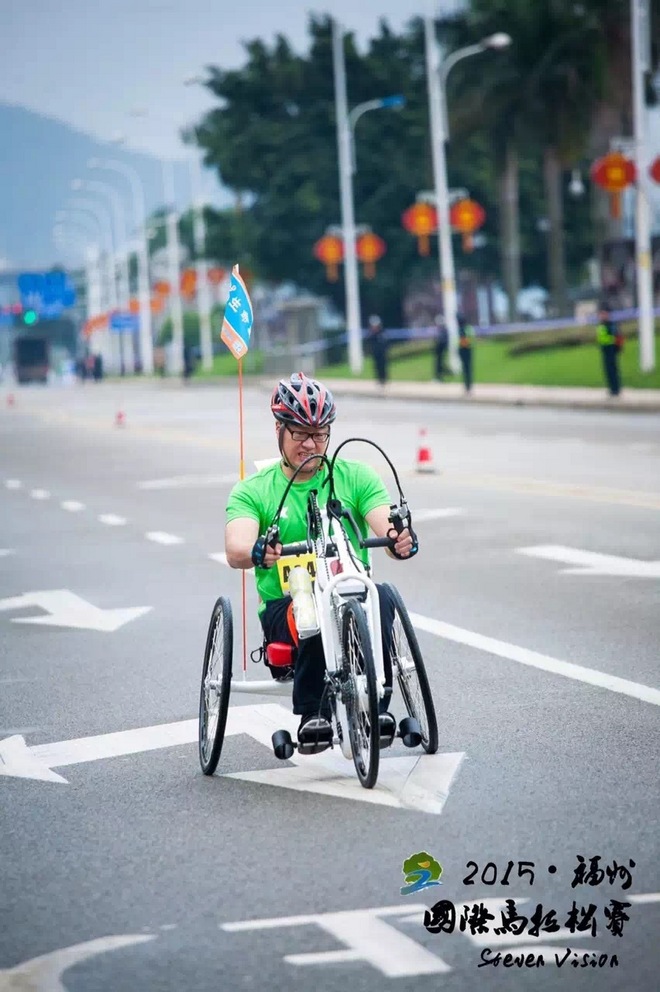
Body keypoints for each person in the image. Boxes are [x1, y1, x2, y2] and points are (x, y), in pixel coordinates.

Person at [224, 372, 417, 748]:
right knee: (310, 606)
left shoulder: (356, 476)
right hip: (287, 608)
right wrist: (258, 550)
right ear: (279, 429)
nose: (311, 444)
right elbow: (236, 548)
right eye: (300, 434)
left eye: (320, 434)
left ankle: (377, 707)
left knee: (385, 596)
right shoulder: (254, 490)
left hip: (349, 592)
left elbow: (385, 529)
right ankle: (313, 713)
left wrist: (398, 540)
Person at [596, 301, 623, 397]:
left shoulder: (611, 325)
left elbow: (618, 337)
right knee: (607, 370)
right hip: (605, 351)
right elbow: (601, 337)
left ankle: (616, 389)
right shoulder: (601, 325)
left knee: (613, 370)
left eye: (603, 314)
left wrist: (618, 348)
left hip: (611, 350)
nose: (601, 316)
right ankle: (611, 389)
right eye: (600, 314)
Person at [367, 314, 388, 386]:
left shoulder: (382, 333)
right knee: (376, 367)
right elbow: (369, 343)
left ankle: (384, 379)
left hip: (382, 353)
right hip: (375, 353)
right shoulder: (371, 335)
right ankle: (379, 379)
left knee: (383, 366)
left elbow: (385, 343)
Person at [457, 313, 475, 393]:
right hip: (464, 350)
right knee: (466, 369)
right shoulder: (463, 329)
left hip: (467, 350)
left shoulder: (466, 329)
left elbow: (469, 340)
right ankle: (467, 386)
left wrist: (464, 343)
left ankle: (468, 386)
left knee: (467, 369)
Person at [433, 314, 449, 381]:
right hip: (439, 350)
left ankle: (439, 377)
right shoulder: (441, 331)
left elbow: (442, 341)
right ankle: (438, 377)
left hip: (440, 350)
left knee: (439, 363)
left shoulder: (443, 331)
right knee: (438, 363)